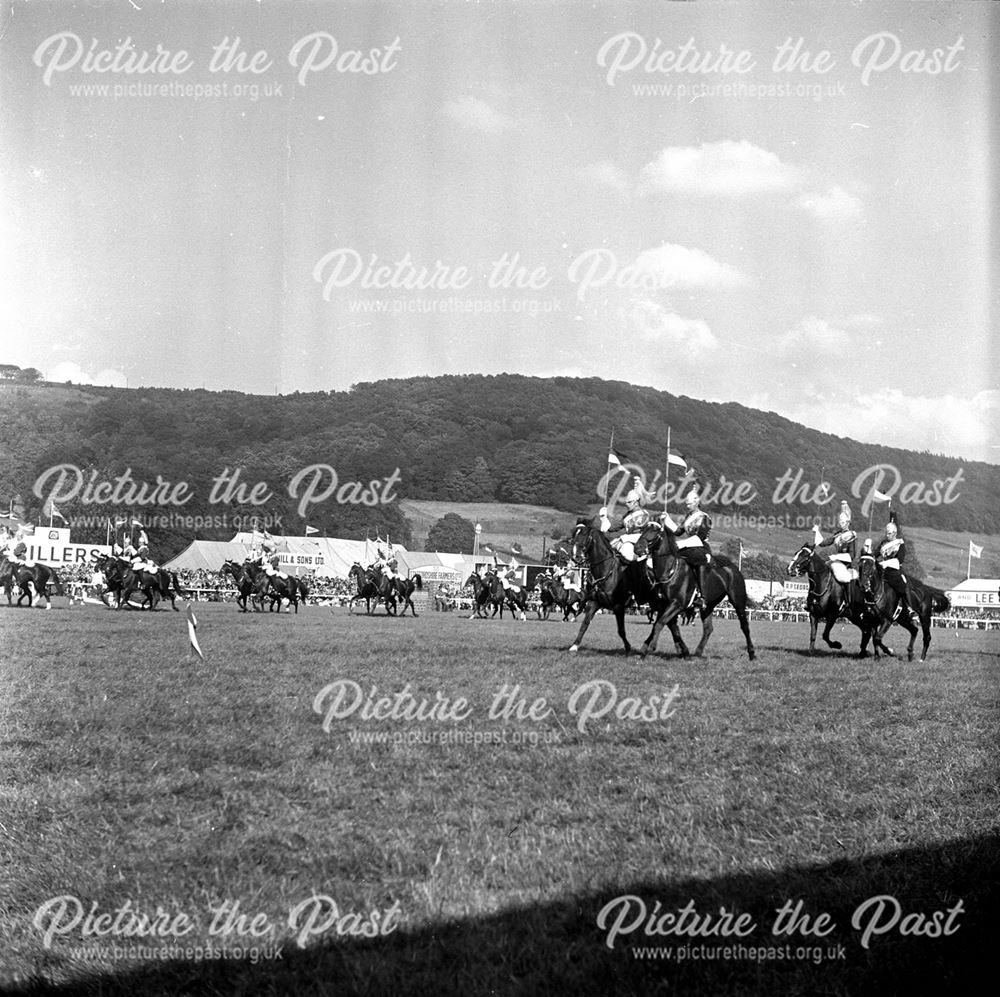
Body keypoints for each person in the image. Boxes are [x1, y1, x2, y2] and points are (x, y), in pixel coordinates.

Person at [660, 488, 711, 595]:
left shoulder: (705, 517)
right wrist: (667, 519)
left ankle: (701, 593)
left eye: (689, 504)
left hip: (701, 547)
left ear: (696, 503)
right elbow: (678, 532)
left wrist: (681, 543)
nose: (687, 506)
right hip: (688, 546)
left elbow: (700, 538)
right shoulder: (688, 517)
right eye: (686, 504)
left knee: (698, 560)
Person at [812, 501, 858, 613]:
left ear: (847, 522)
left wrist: (836, 556)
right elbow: (824, 543)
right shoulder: (837, 534)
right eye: (840, 521)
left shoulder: (851, 535)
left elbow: (852, 555)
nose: (840, 523)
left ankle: (848, 603)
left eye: (842, 522)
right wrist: (817, 531)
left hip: (844, 563)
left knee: (844, 577)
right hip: (835, 561)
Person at [874, 512, 918, 624]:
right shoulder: (883, 543)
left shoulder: (900, 544)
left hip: (894, 571)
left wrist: (885, 563)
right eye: (886, 533)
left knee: (904, 585)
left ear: (894, 533)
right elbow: (875, 554)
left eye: (889, 534)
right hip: (883, 571)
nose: (887, 535)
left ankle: (909, 608)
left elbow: (899, 560)